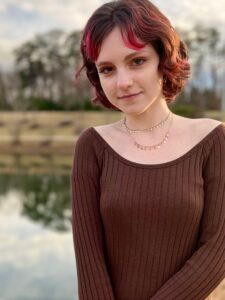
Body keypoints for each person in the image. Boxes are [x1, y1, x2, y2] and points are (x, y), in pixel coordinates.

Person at [70, 0, 225, 299]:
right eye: (107, 69)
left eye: (137, 61)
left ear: (163, 59)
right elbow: (89, 261)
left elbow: (218, 248)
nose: (123, 82)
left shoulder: (213, 139)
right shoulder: (92, 146)